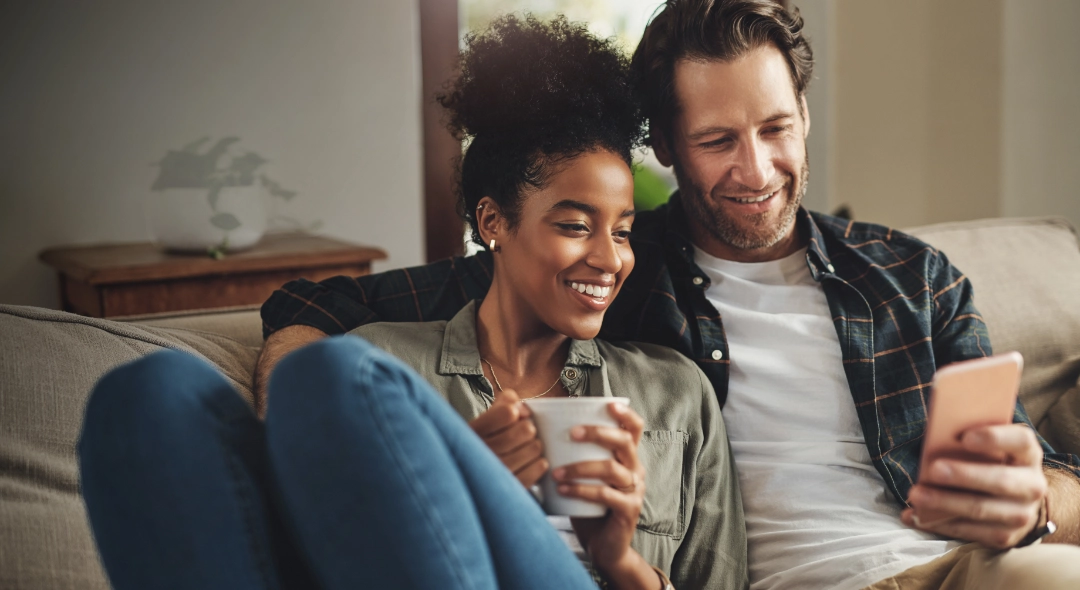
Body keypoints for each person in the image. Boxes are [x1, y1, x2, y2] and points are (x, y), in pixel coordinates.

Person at [257, 1, 1080, 589]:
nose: (755, 171)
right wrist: (292, 386)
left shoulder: (908, 276)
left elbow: (1048, 485)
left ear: (803, 111)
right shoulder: (616, 269)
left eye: (775, 129)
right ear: (668, 150)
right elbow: (324, 309)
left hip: (969, 568)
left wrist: (1032, 502)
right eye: (718, 141)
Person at [78, 15, 746, 590]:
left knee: (333, 374)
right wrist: (464, 481)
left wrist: (622, 563)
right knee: (148, 393)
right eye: (574, 226)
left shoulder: (674, 396)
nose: (609, 258)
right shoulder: (390, 367)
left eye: (623, 231)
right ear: (493, 223)